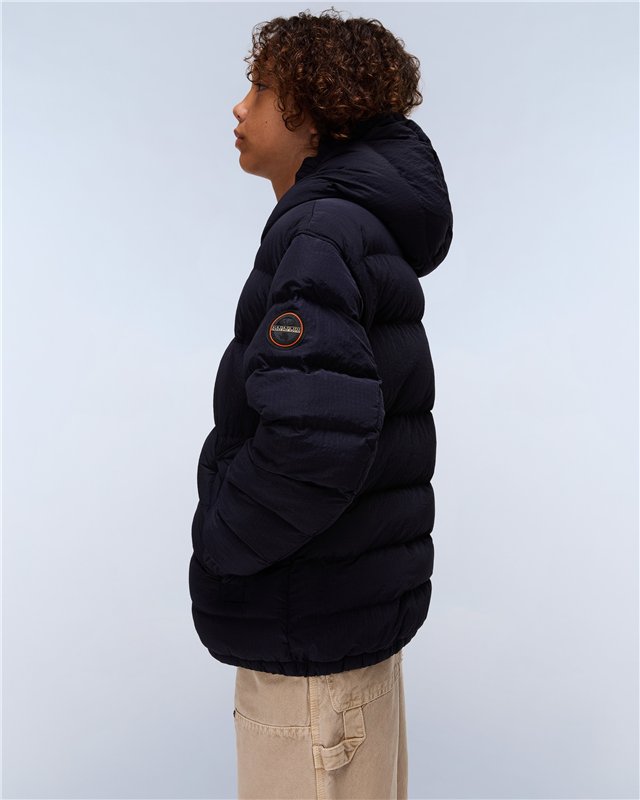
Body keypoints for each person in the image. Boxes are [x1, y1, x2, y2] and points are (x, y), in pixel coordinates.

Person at [188, 8, 454, 799]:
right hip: (343, 634)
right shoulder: (351, 226)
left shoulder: (320, 233)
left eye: (261, 89)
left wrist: (223, 537)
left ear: (315, 112)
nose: (240, 107)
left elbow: (315, 438)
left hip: (306, 644)